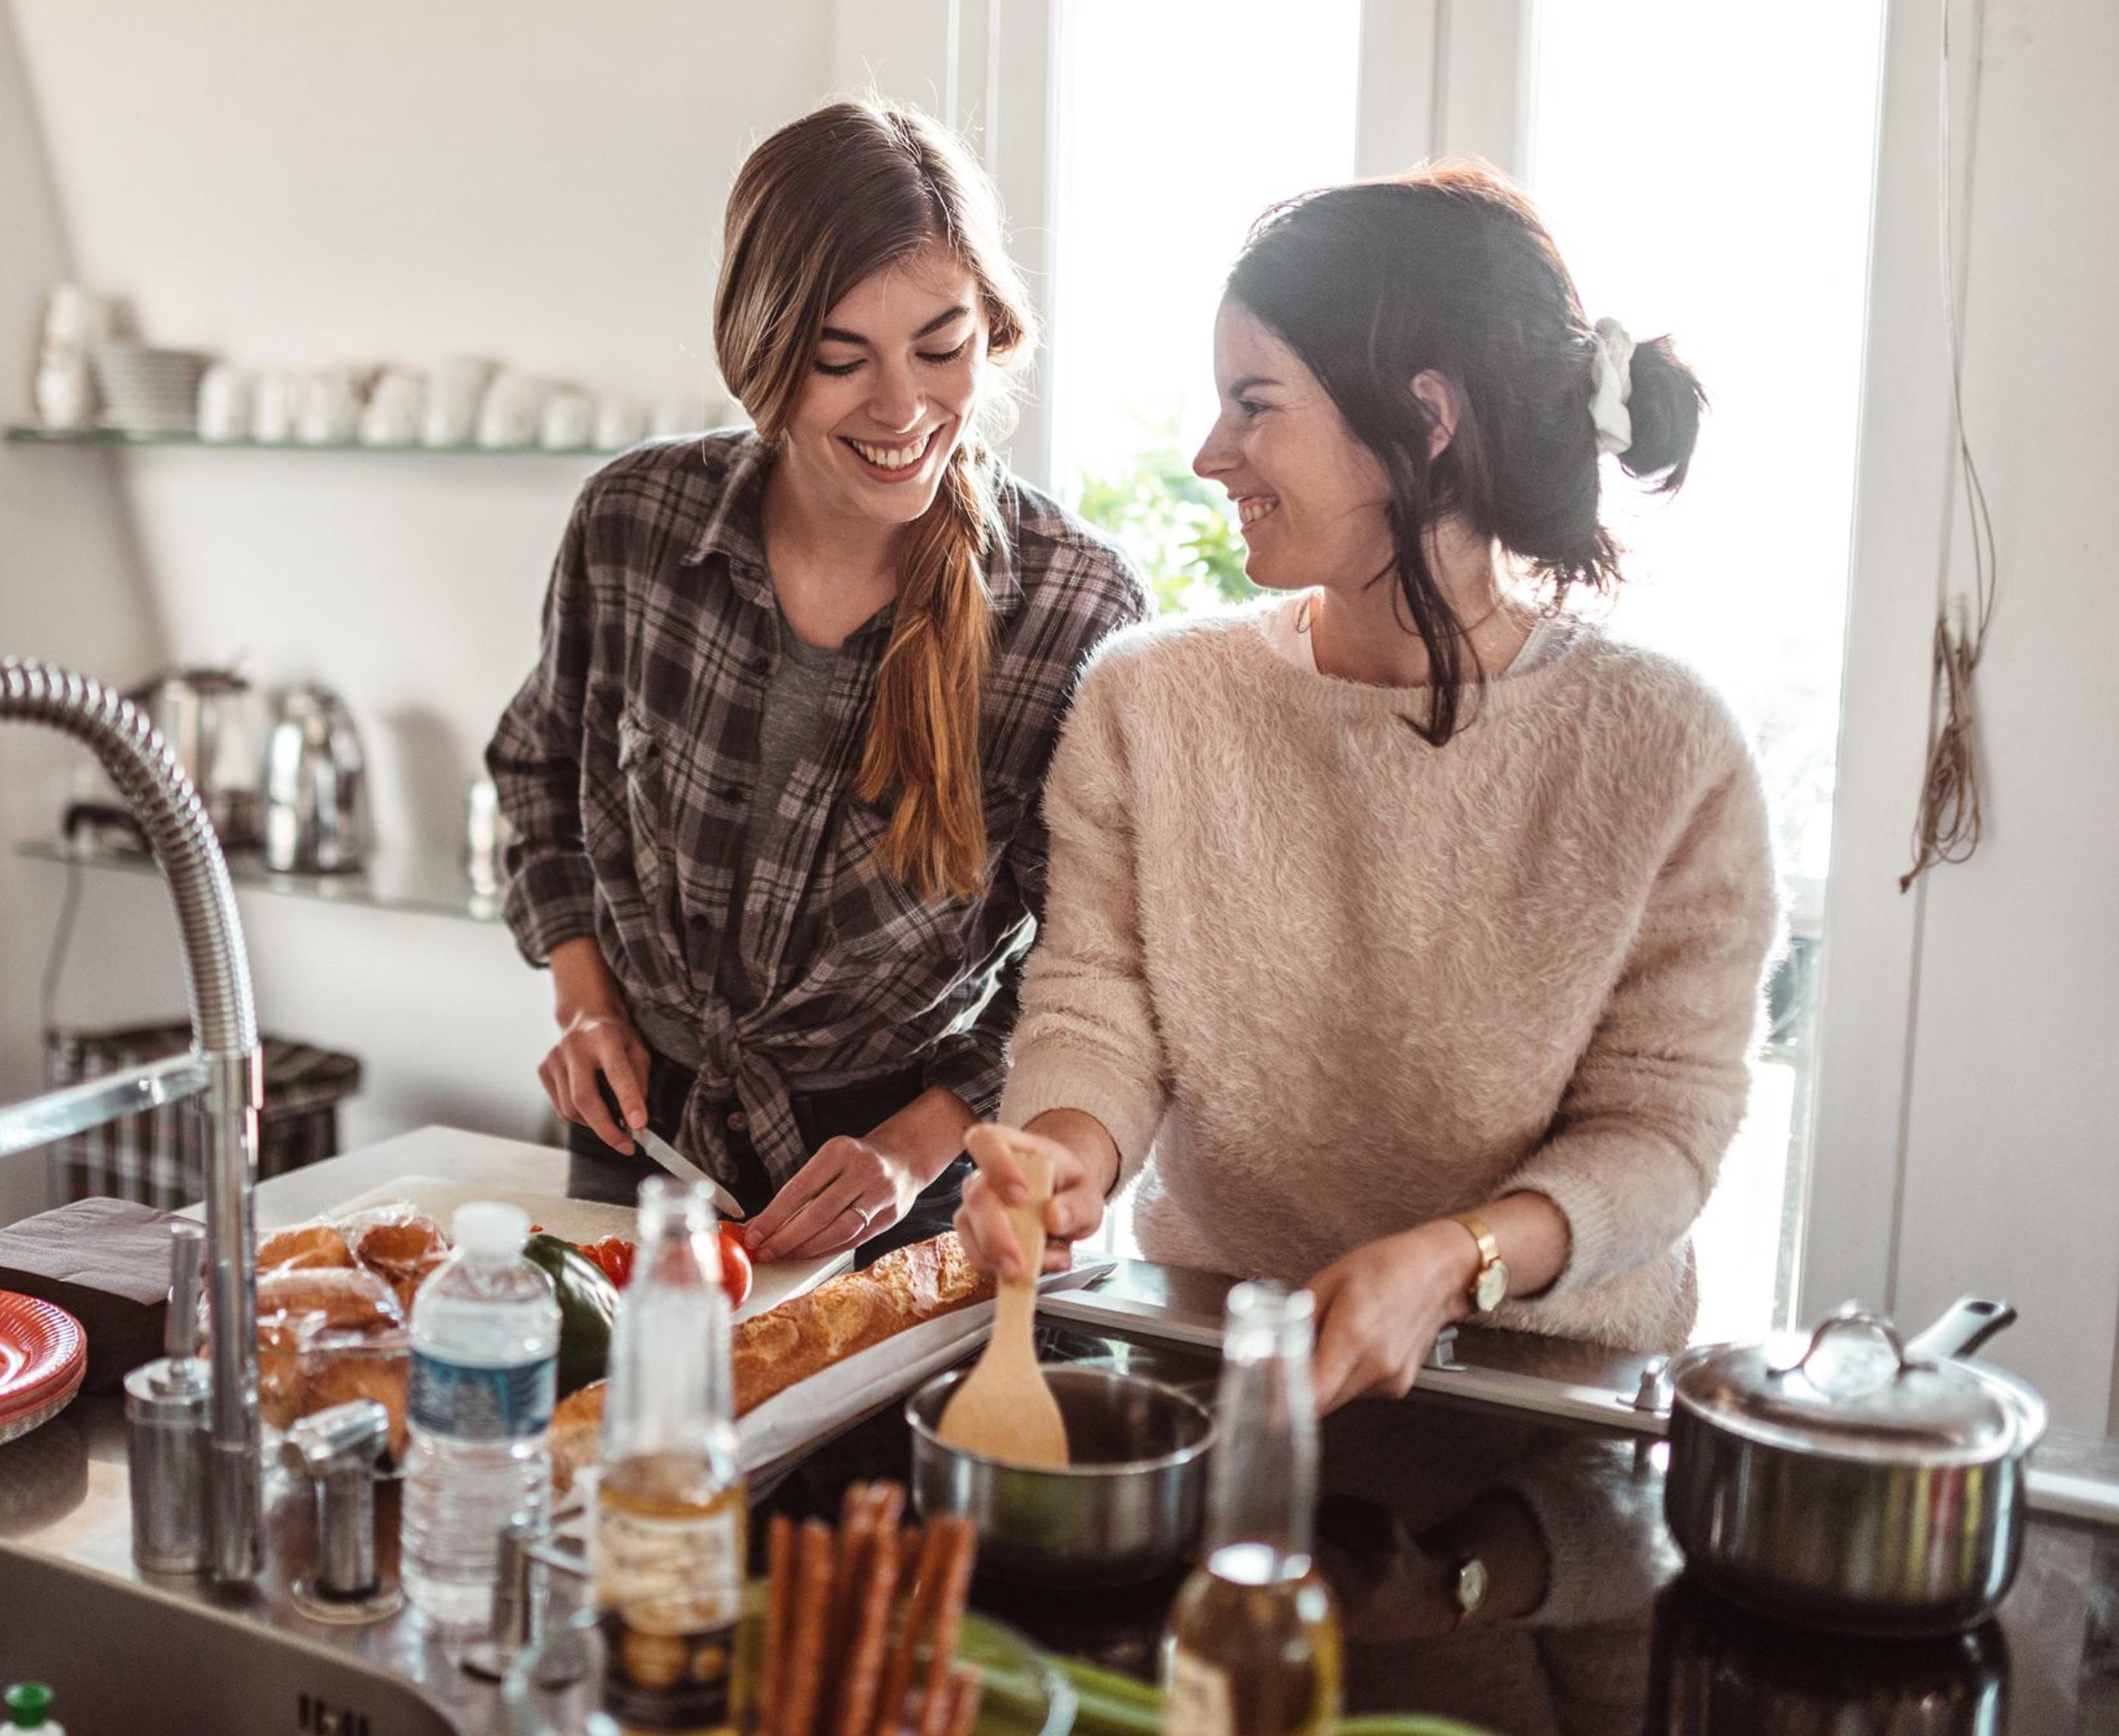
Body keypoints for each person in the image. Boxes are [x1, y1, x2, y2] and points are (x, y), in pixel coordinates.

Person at [959, 164, 1778, 1407]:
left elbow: (1662, 1132)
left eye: (1256, 403)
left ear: (1425, 418)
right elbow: (1096, 1006)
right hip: (1218, 1359)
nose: (1209, 452)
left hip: (1546, 1394)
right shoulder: (1150, 703)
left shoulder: (1667, 749)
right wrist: (1065, 1151)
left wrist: (1460, 1260)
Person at [486, 98, 1141, 1266]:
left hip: (910, 1181)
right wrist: (583, 997)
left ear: (993, 328)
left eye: (941, 348)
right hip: (644, 1141)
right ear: (764, 357)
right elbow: (537, 772)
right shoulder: (633, 524)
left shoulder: (1070, 606)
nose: (902, 411)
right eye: (843, 360)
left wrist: (914, 1144)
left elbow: (1085, 961)